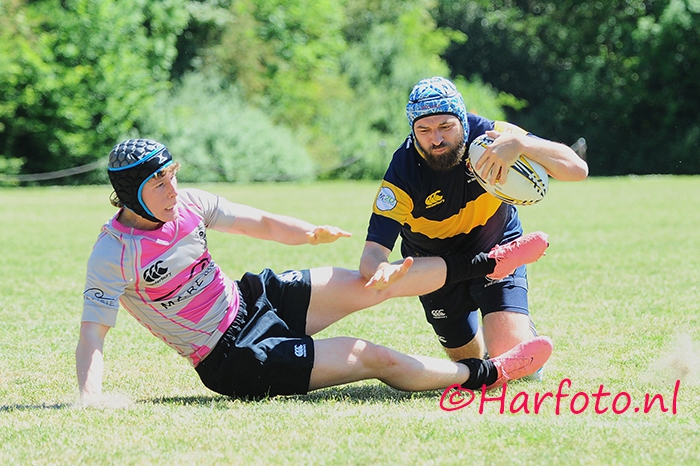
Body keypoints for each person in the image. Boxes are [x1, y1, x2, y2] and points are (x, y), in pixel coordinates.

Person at [76, 138, 553, 403]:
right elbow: (93, 333)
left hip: (251, 300)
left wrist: (308, 232)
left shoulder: (188, 204)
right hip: (233, 356)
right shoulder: (113, 253)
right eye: (159, 183)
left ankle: (489, 263)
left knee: (371, 282)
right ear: (131, 192)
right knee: (372, 357)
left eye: (173, 176)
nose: (173, 189)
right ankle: (487, 373)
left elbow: (259, 222)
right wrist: (89, 396)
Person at [360, 76, 588, 366]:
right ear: (413, 130)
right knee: (469, 363)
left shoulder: (494, 136)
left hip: (498, 247)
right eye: (424, 130)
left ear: (463, 120)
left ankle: (518, 332)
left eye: (446, 126)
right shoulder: (403, 172)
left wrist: (521, 144)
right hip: (436, 263)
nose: (436, 139)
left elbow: (577, 169)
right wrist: (381, 270)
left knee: (508, 355)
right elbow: (371, 254)